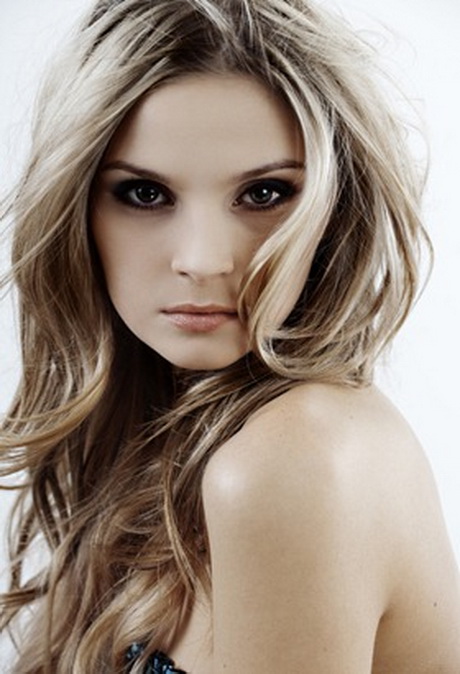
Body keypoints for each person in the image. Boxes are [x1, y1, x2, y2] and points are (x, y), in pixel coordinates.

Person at [0, 0, 459, 671]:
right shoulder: (153, 439)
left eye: (265, 194)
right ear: (75, 209)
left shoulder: (295, 459)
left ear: (334, 209)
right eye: (145, 194)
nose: (203, 260)